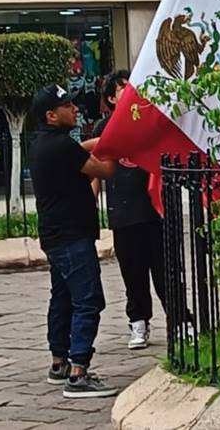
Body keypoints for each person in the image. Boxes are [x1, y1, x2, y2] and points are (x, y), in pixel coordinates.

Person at [30, 84, 119, 399]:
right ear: (51, 116)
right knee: (88, 299)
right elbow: (105, 170)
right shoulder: (61, 148)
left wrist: (104, 140)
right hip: (72, 237)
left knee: (63, 297)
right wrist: (121, 147)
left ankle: (59, 362)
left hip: (55, 236)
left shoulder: (45, 144)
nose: (75, 109)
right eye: (67, 106)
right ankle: (79, 371)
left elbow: (80, 150)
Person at [95, 70, 171, 351]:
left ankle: (179, 321)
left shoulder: (149, 121)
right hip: (123, 213)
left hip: (154, 209)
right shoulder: (104, 129)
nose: (127, 92)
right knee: (133, 273)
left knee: (165, 272)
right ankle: (138, 321)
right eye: (120, 89)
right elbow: (96, 166)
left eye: (131, 87)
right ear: (111, 98)